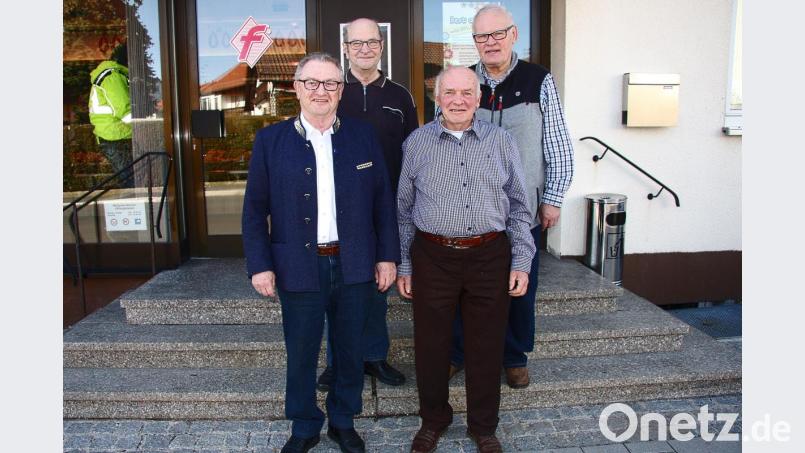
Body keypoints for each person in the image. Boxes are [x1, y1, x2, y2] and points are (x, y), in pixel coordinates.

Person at [242, 52, 400, 453]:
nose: (320, 91)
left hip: (355, 264)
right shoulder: (270, 141)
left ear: (340, 91)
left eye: (330, 83)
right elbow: (254, 210)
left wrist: (387, 256)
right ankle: (305, 425)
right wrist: (260, 266)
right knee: (301, 351)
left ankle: (343, 421)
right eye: (311, 82)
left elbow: (383, 203)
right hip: (298, 266)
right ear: (295, 88)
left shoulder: (362, 137)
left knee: (349, 349)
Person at [397, 65, 536, 453]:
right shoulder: (417, 143)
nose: (458, 100)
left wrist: (521, 261)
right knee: (430, 347)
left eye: (466, 93)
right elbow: (403, 210)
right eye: (449, 93)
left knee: (486, 346)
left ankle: (484, 427)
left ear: (479, 98)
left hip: (490, 255)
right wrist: (405, 264)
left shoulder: (501, 142)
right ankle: (433, 420)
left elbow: (520, 209)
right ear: (437, 98)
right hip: (432, 257)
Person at [449, 4, 575, 389]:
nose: (489, 43)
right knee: (463, 287)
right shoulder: (464, 81)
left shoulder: (539, 81)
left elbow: (558, 145)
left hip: (522, 211)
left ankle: (514, 355)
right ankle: (458, 352)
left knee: (520, 286)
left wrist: (552, 198)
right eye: (481, 37)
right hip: (469, 210)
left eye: (496, 34)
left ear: (513, 34)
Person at [316, 17, 418, 392]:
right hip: (335, 209)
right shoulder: (329, 92)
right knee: (334, 285)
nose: (363, 49)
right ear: (345, 48)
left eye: (371, 42)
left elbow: (412, 153)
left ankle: (375, 355)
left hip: (385, 207)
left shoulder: (399, 97)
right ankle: (338, 361)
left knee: (379, 282)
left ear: (381, 46)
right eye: (355, 43)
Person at [89, 43, 134, 188]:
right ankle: (135, 209)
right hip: (116, 135)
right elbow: (125, 110)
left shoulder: (112, 74)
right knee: (132, 181)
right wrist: (148, 124)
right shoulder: (113, 76)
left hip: (113, 135)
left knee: (130, 179)